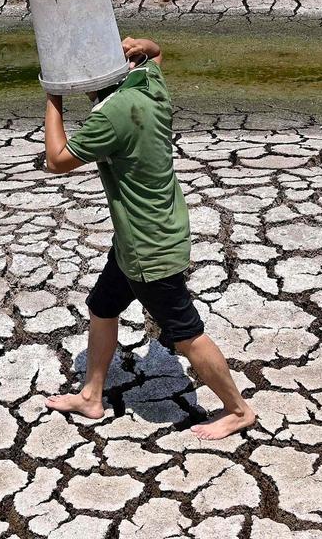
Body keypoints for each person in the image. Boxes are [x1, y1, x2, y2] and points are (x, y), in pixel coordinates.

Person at [41, 36, 256, 440]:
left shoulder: (112, 116)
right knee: (103, 307)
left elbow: (56, 160)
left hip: (147, 248)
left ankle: (238, 409)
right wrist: (148, 45)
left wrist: (53, 96)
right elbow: (156, 55)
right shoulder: (148, 85)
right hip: (148, 233)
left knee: (186, 335)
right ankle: (92, 395)